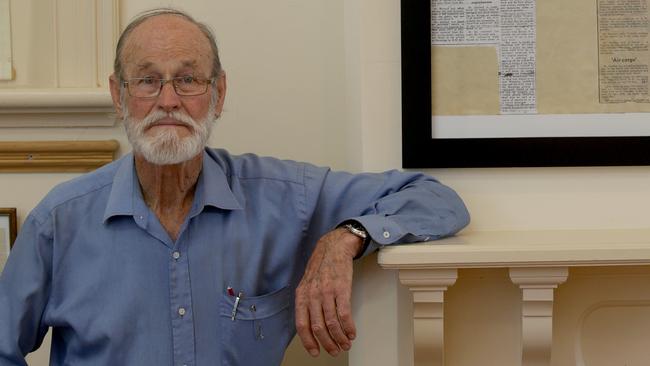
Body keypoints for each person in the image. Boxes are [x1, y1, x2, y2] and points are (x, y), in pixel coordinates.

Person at [0, 8, 469, 366]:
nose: (168, 101)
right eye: (147, 81)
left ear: (219, 93)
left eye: (187, 80)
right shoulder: (59, 221)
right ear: (118, 94)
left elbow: (436, 199)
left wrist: (345, 238)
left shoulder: (287, 199)